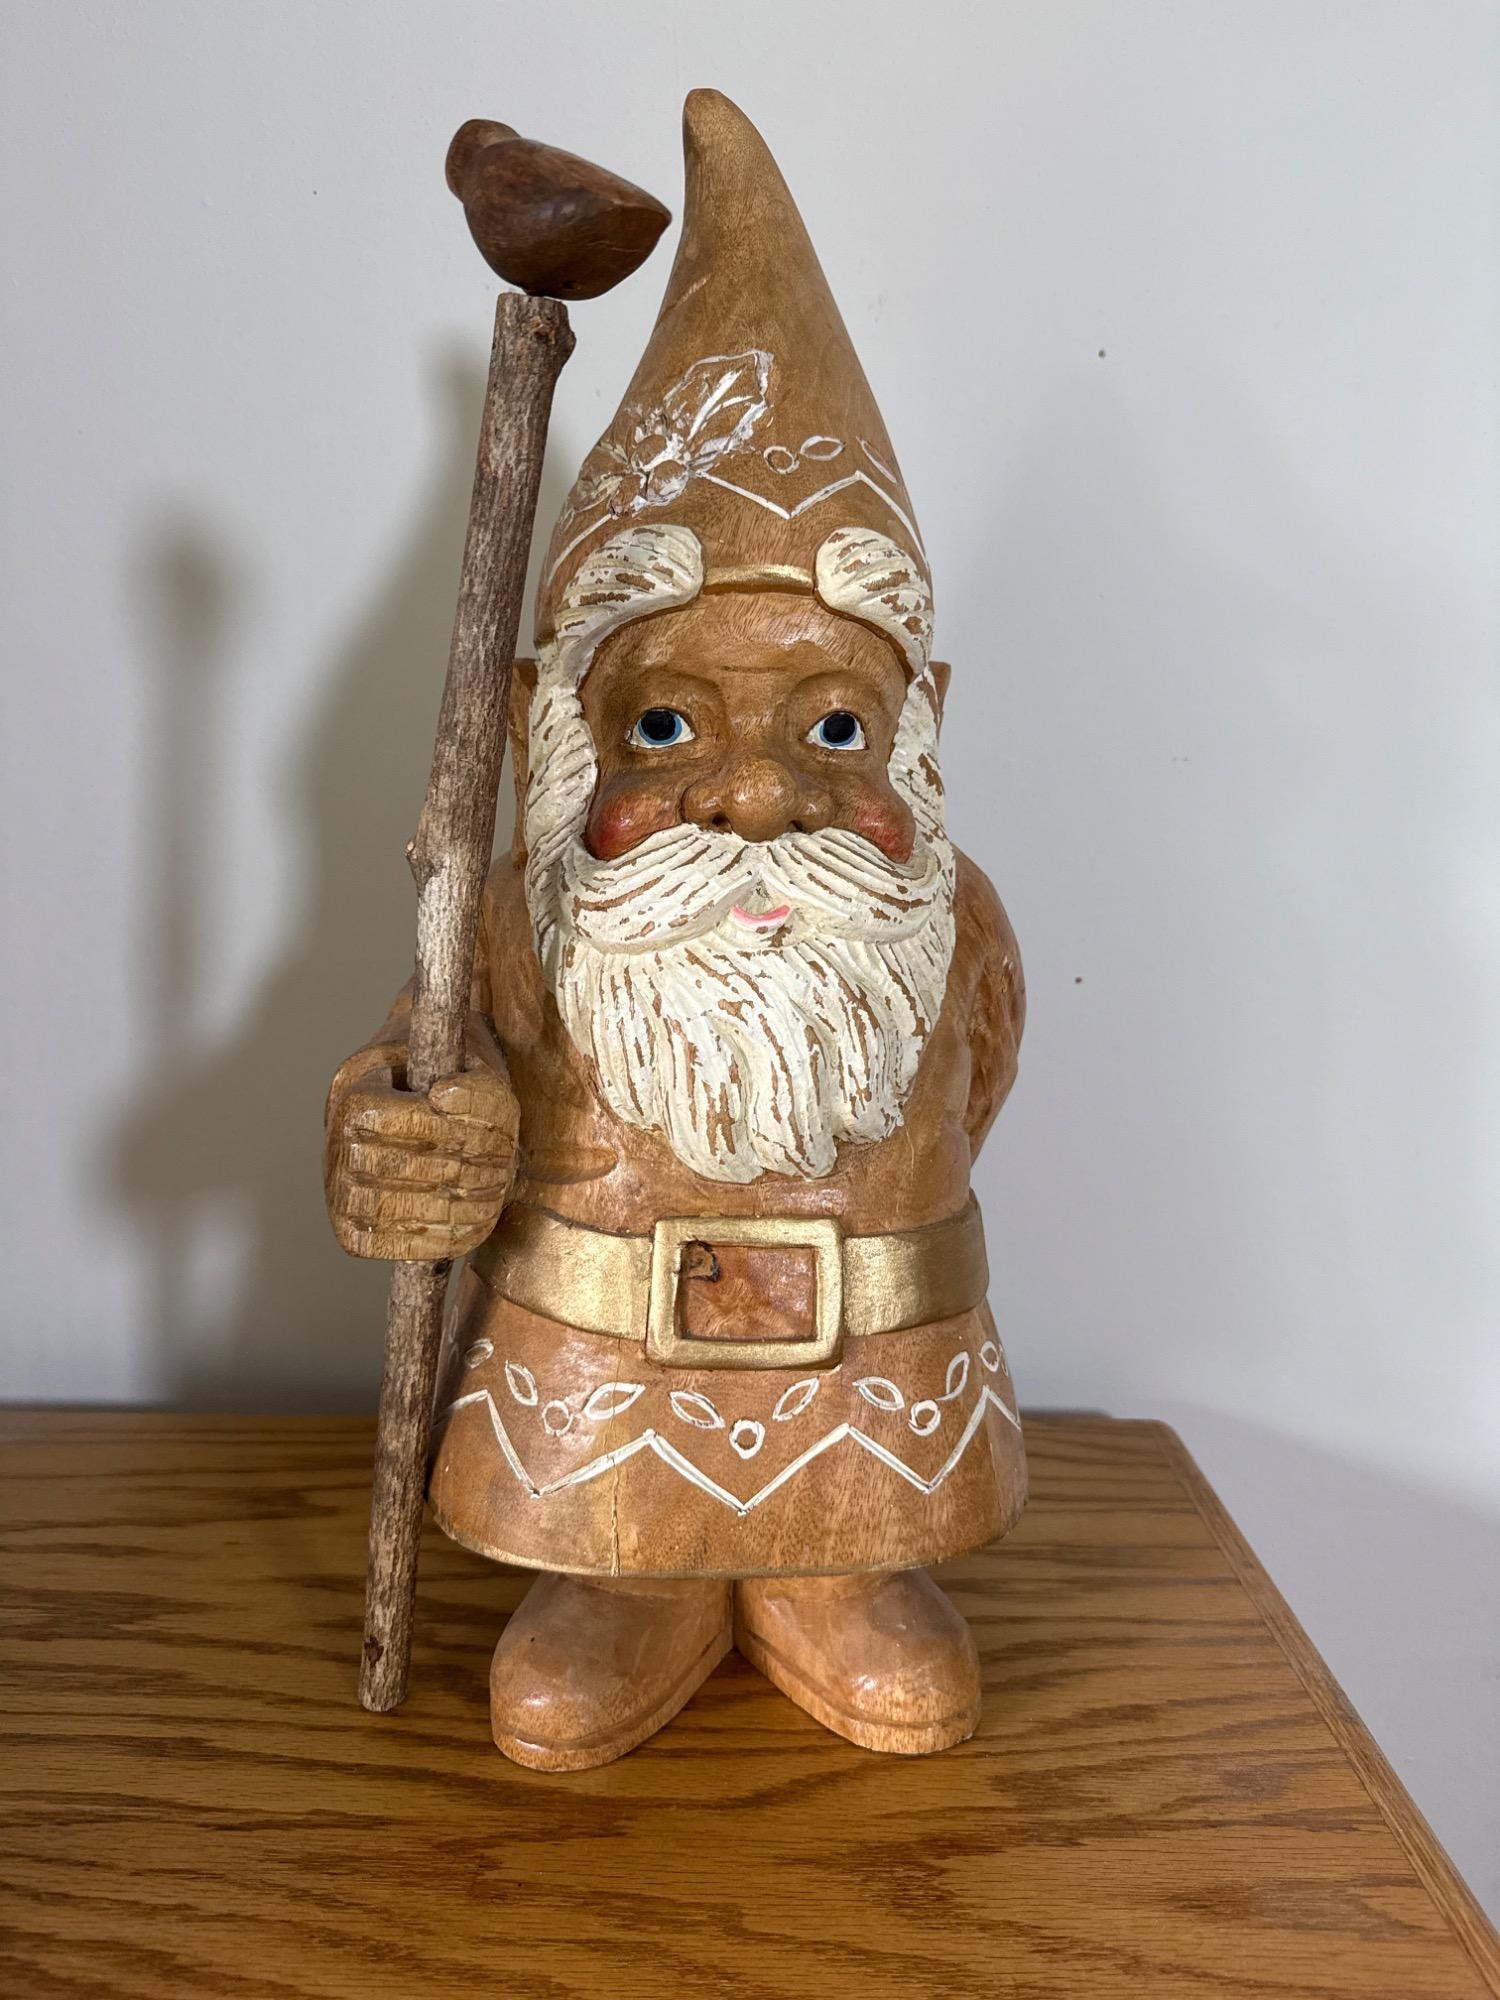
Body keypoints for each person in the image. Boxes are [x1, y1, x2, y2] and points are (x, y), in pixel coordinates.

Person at [324, 89, 1026, 1771]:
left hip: (877, 1394)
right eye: (665, 726)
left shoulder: (948, 925)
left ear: (922, 722)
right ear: (550, 733)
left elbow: (977, 1084)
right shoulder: (525, 919)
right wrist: (404, 1136)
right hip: (597, 1406)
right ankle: (627, 1588)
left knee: (874, 1583)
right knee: (595, 1593)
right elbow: (424, 1069)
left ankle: (834, 1573)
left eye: (835, 725)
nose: (760, 796)